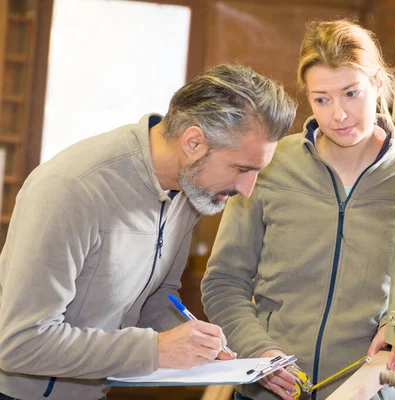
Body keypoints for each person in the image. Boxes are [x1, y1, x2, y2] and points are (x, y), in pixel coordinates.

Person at [0, 64, 296, 400]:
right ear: (194, 142)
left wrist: (196, 344)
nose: (247, 189)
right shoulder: (73, 189)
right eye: (242, 169)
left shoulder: (187, 189)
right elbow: (20, 343)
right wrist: (155, 349)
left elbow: (157, 298)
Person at [202, 20, 395, 400]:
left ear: (377, 83)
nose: (338, 115)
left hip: (366, 391)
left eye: (351, 93)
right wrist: (260, 352)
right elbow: (223, 282)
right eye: (322, 99)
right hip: (267, 391)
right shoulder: (271, 165)